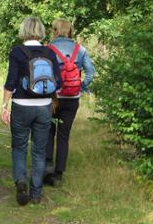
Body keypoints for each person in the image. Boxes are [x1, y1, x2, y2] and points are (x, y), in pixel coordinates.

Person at [1, 17, 61, 205]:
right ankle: (36, 193)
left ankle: (20, 181)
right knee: (39, 150)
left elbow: (11, 82)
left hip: (21, 106)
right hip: (44, 107)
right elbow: (59, 82)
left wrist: (4, 106)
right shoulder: (50, 52)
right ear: (41, 31)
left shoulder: (17, 52)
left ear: (24, 30)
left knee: (19, 147)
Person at [44, 18, 95, 186]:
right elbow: (90, 72)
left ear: (55, 31)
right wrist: (81, 86)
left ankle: (48, 167)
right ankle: (58, 175)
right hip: (72, 99)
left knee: (49, 131)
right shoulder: (80, 50)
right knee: (64, 136)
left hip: (53, 98)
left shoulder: (48, 49)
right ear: (70, 31)